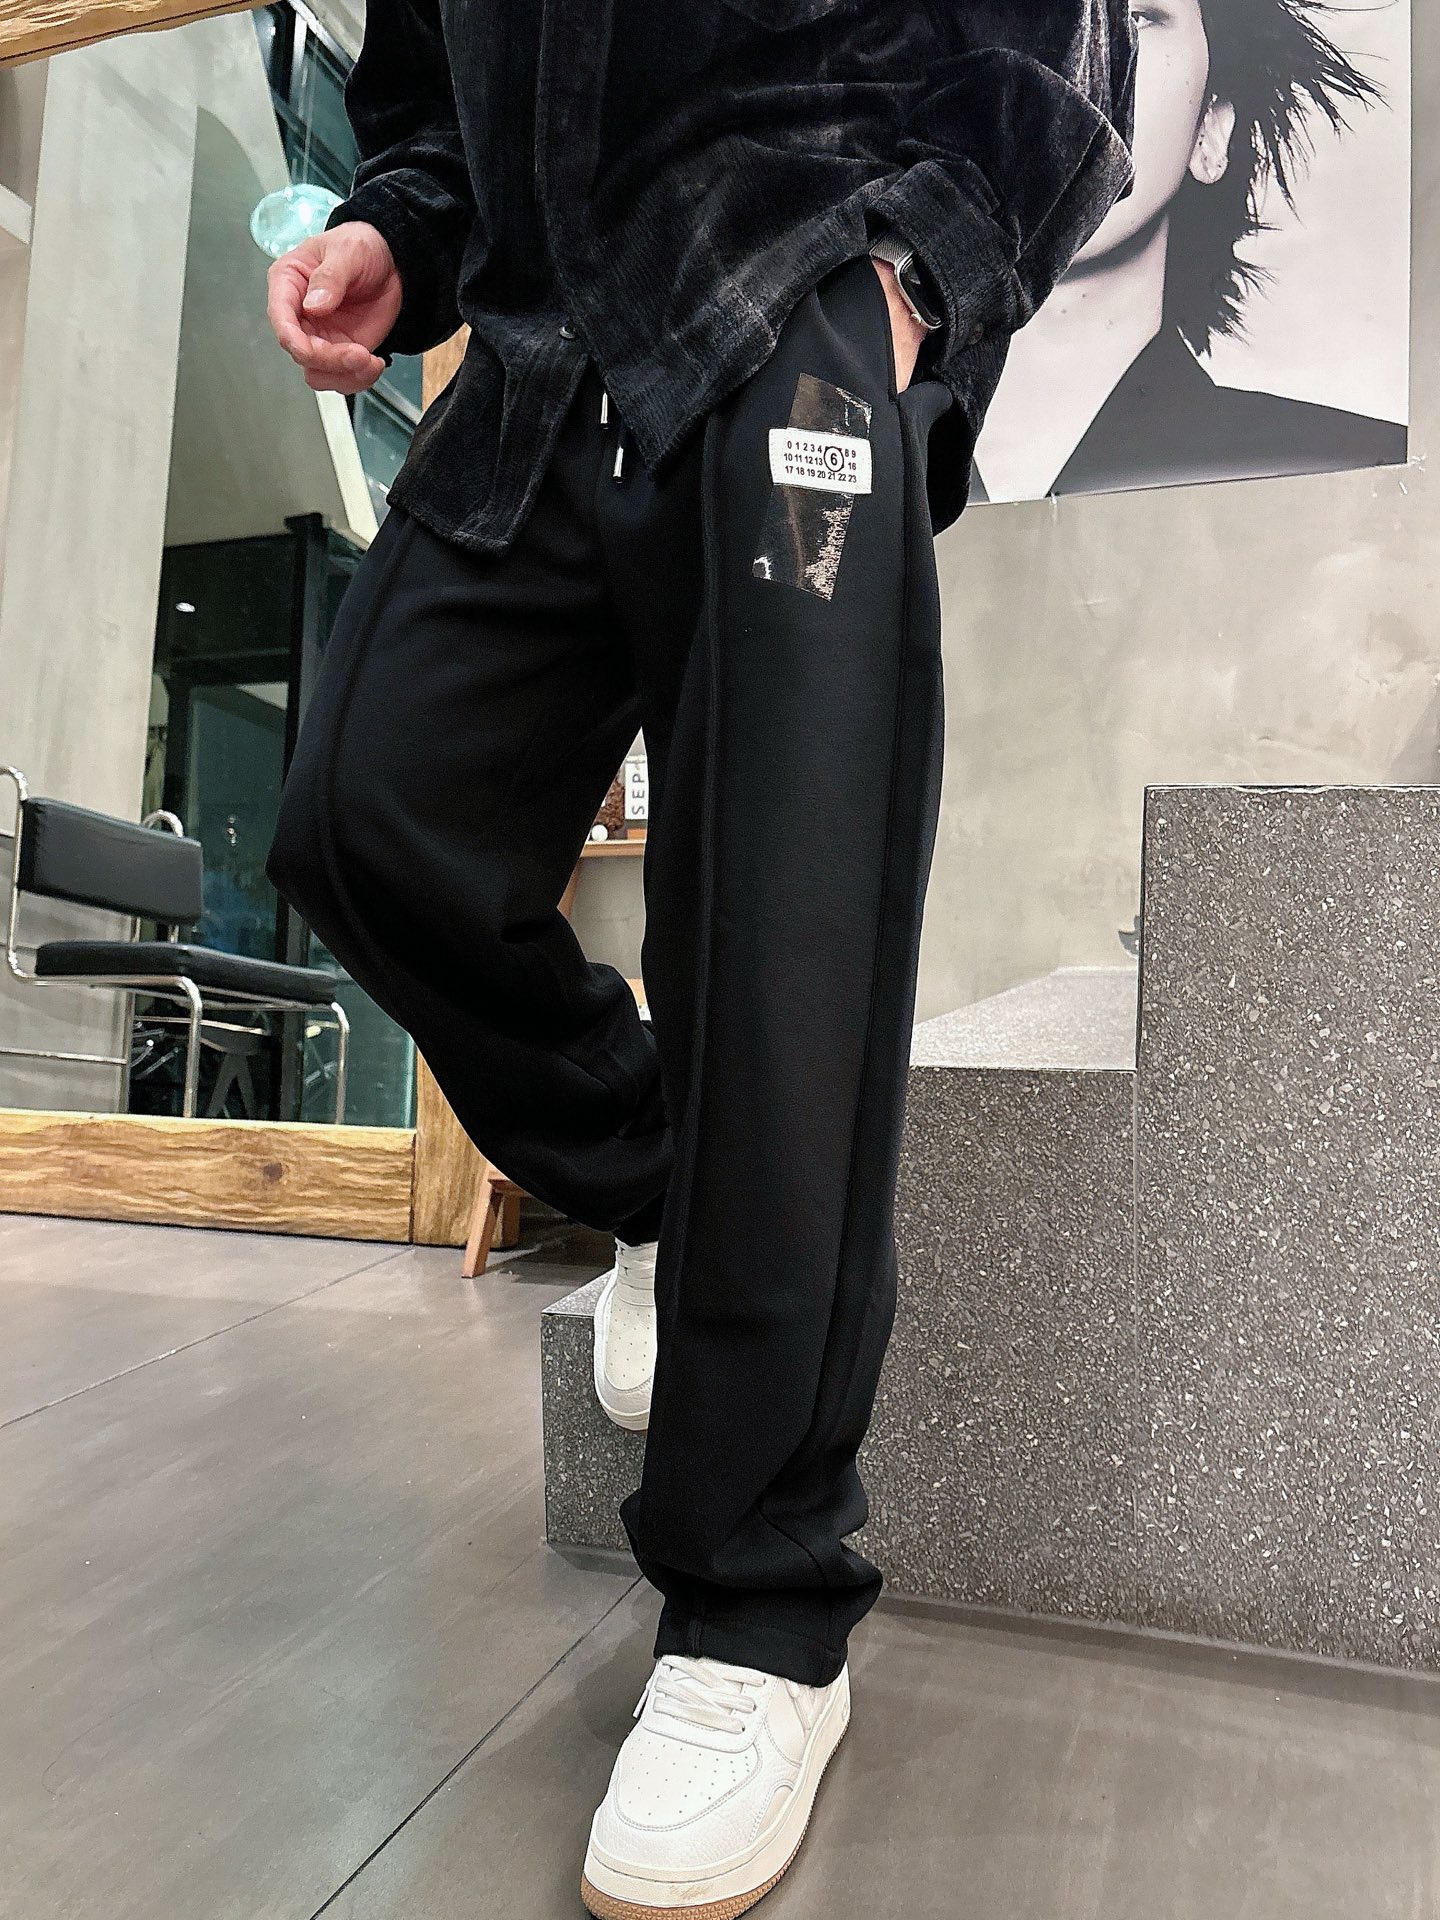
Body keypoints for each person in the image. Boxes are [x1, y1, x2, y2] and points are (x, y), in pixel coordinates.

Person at [265, 5, 1138, 1914]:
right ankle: (666, 1180)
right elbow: (429, 100)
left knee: (782, 944)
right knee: (364, 823)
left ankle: (762, 1616)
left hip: (788, 292)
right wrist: (400, 231)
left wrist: (911, 278)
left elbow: (1063, 46)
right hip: (535, 358)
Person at [971, 0, 1406, 502]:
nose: (1076, 68)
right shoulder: (890, 467)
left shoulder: (1360, 478)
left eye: (1136, 18)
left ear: (1211, 131)